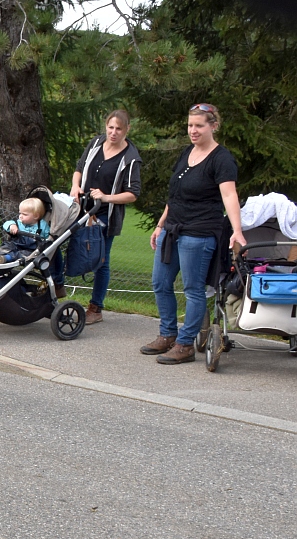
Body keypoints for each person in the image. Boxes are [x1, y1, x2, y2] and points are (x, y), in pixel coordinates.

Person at [143, 103, 245, 365]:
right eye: (190, 125)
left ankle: (185, 344)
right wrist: (160, 225)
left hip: (199, 233)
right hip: (173, 229)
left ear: (213, 125)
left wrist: (237, 231)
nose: (193, 130)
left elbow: (229, 195)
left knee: (193, 290)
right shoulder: (187, 152)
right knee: (160, 283)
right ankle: (167, 334)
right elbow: (175, 194)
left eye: (199, 125)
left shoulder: (222, 159)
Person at [70, 109, 142, 324]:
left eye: (119, 129)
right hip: (80, 210)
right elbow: (79, 168)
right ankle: (55, 288)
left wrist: (106, 197)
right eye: (110, 128)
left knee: (101, 261)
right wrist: (75, 187)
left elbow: (133, 194)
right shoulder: (95, 144)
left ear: (127, 129)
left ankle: (96, 307)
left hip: (105, 216)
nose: (113, 133)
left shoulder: (130, 159)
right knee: (61, 245)